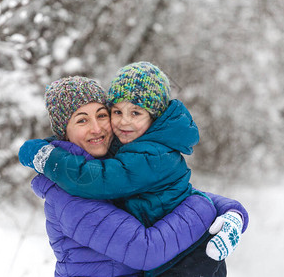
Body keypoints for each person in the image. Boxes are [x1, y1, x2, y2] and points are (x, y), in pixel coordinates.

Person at [19, 75, 249, 276]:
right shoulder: (68, 194)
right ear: (64, 132)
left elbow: (169, 198)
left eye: (102, 115)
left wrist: (230, 210)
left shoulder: (112, 163)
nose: (97, 128)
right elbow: (145, 251)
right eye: (82, 120)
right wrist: (204, 208)